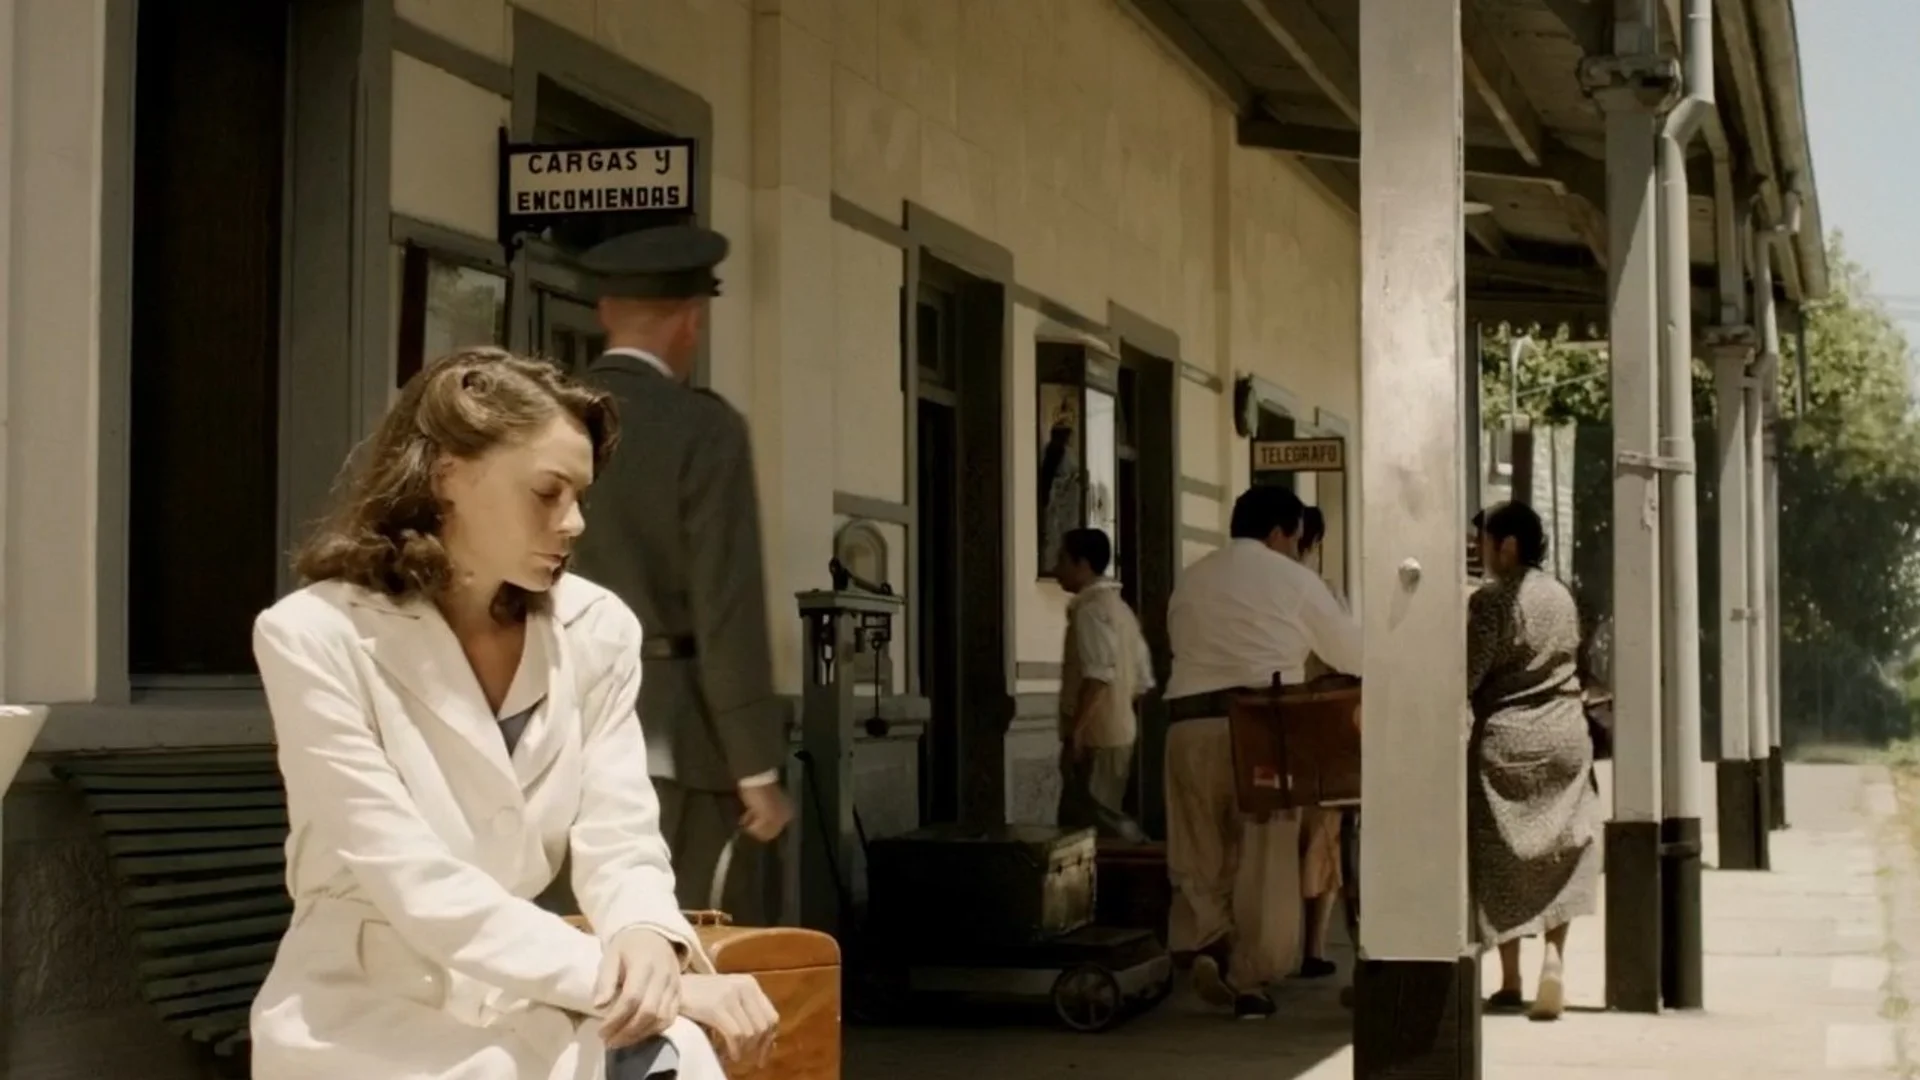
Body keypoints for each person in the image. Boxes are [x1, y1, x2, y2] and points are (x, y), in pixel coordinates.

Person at [248, 349, 778, 1079]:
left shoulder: (598, 629)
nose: (574, 522)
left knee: (677, 1054)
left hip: (523, 1002)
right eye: (547, 492)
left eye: (581, 496)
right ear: (446, 475)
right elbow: (413, 882)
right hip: (362, 1022)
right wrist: (629, 982)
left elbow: (620, 837)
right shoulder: (312, 636)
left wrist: (647, 939)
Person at [567, 224, 792, 925]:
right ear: (692, 319)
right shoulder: (703, 429)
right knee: (684, 937)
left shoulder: (543, 416)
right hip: (673, 737)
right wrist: (755, 767)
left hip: (553, 723)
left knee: (569, 937)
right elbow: (727, 606)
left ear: (606, 311)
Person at [1162, 485, 1363, 1019]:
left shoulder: (1193, 578)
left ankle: (1210, 941)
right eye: (1296, 538)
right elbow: (1351, 654)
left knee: (1199, 849)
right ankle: (1250, 979)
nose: (1297, 548)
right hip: (1261, 727)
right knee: (1265, 858)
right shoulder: (1294, 580)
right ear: (1280, 533)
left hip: (1187, 726)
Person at [1468, 500, 1601, 1022]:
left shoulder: (1493, 601)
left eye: (1483, 542)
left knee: (1500, 856)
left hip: (1507, 740)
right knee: (1560, 850)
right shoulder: (1562, 595)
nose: (1480, 552)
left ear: (1508, 546)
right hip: (1566, 735)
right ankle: (1554, 959)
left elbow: (1469, 673)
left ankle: (1510, 981)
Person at [1052, 527, 1153, 842]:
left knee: (1092, 823)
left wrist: (1077, 732)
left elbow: (1098, 676)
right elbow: (1141, 680)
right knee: (1101, 814)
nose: (1056, 568)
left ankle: (1139, 848)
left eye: (1062, 560)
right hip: (1119, 731)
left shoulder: (1091, 609)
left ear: (1082, 564)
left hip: (1096, 737)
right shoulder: (1121, 610)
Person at [1292, 505, 1344, 980]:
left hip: (1269, 723)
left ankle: (1293, 945)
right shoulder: (1324, 594)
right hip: (1318, 725)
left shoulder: (1256, 590)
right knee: (1321, 837)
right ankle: (1312, 947)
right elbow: (1345, 661)